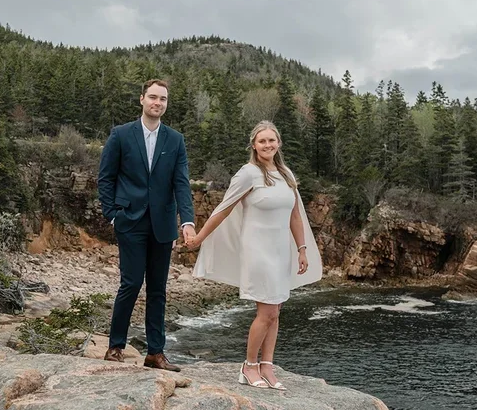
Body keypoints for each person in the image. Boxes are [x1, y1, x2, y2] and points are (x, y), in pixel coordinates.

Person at [188, 121, 322, 389]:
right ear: (254, 145)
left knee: (276, 310)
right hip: (257, 251)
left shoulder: (286, 174)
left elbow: (295, 216)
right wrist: (200, 237)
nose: (268, 145)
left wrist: (302, 249)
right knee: (267, 310)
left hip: (280, 250)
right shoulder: (247, 174)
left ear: (279, 143)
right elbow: (224, 209)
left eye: (272, 140)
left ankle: (267, 366)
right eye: (262, 141)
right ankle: (249, 366)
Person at [97, 78, 196, 371]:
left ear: (166, 103)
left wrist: (187, 221)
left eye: (163, 99)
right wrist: (112, 214)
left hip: (163, 224)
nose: (157, 103)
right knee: (130, 284)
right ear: (142, 99)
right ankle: (115, 347)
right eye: (153, 97)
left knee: (158, 289)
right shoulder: (121, 135)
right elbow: (106, 178)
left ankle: (155, 352)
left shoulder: (175, 139)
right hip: (130, 220)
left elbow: (181, 183)